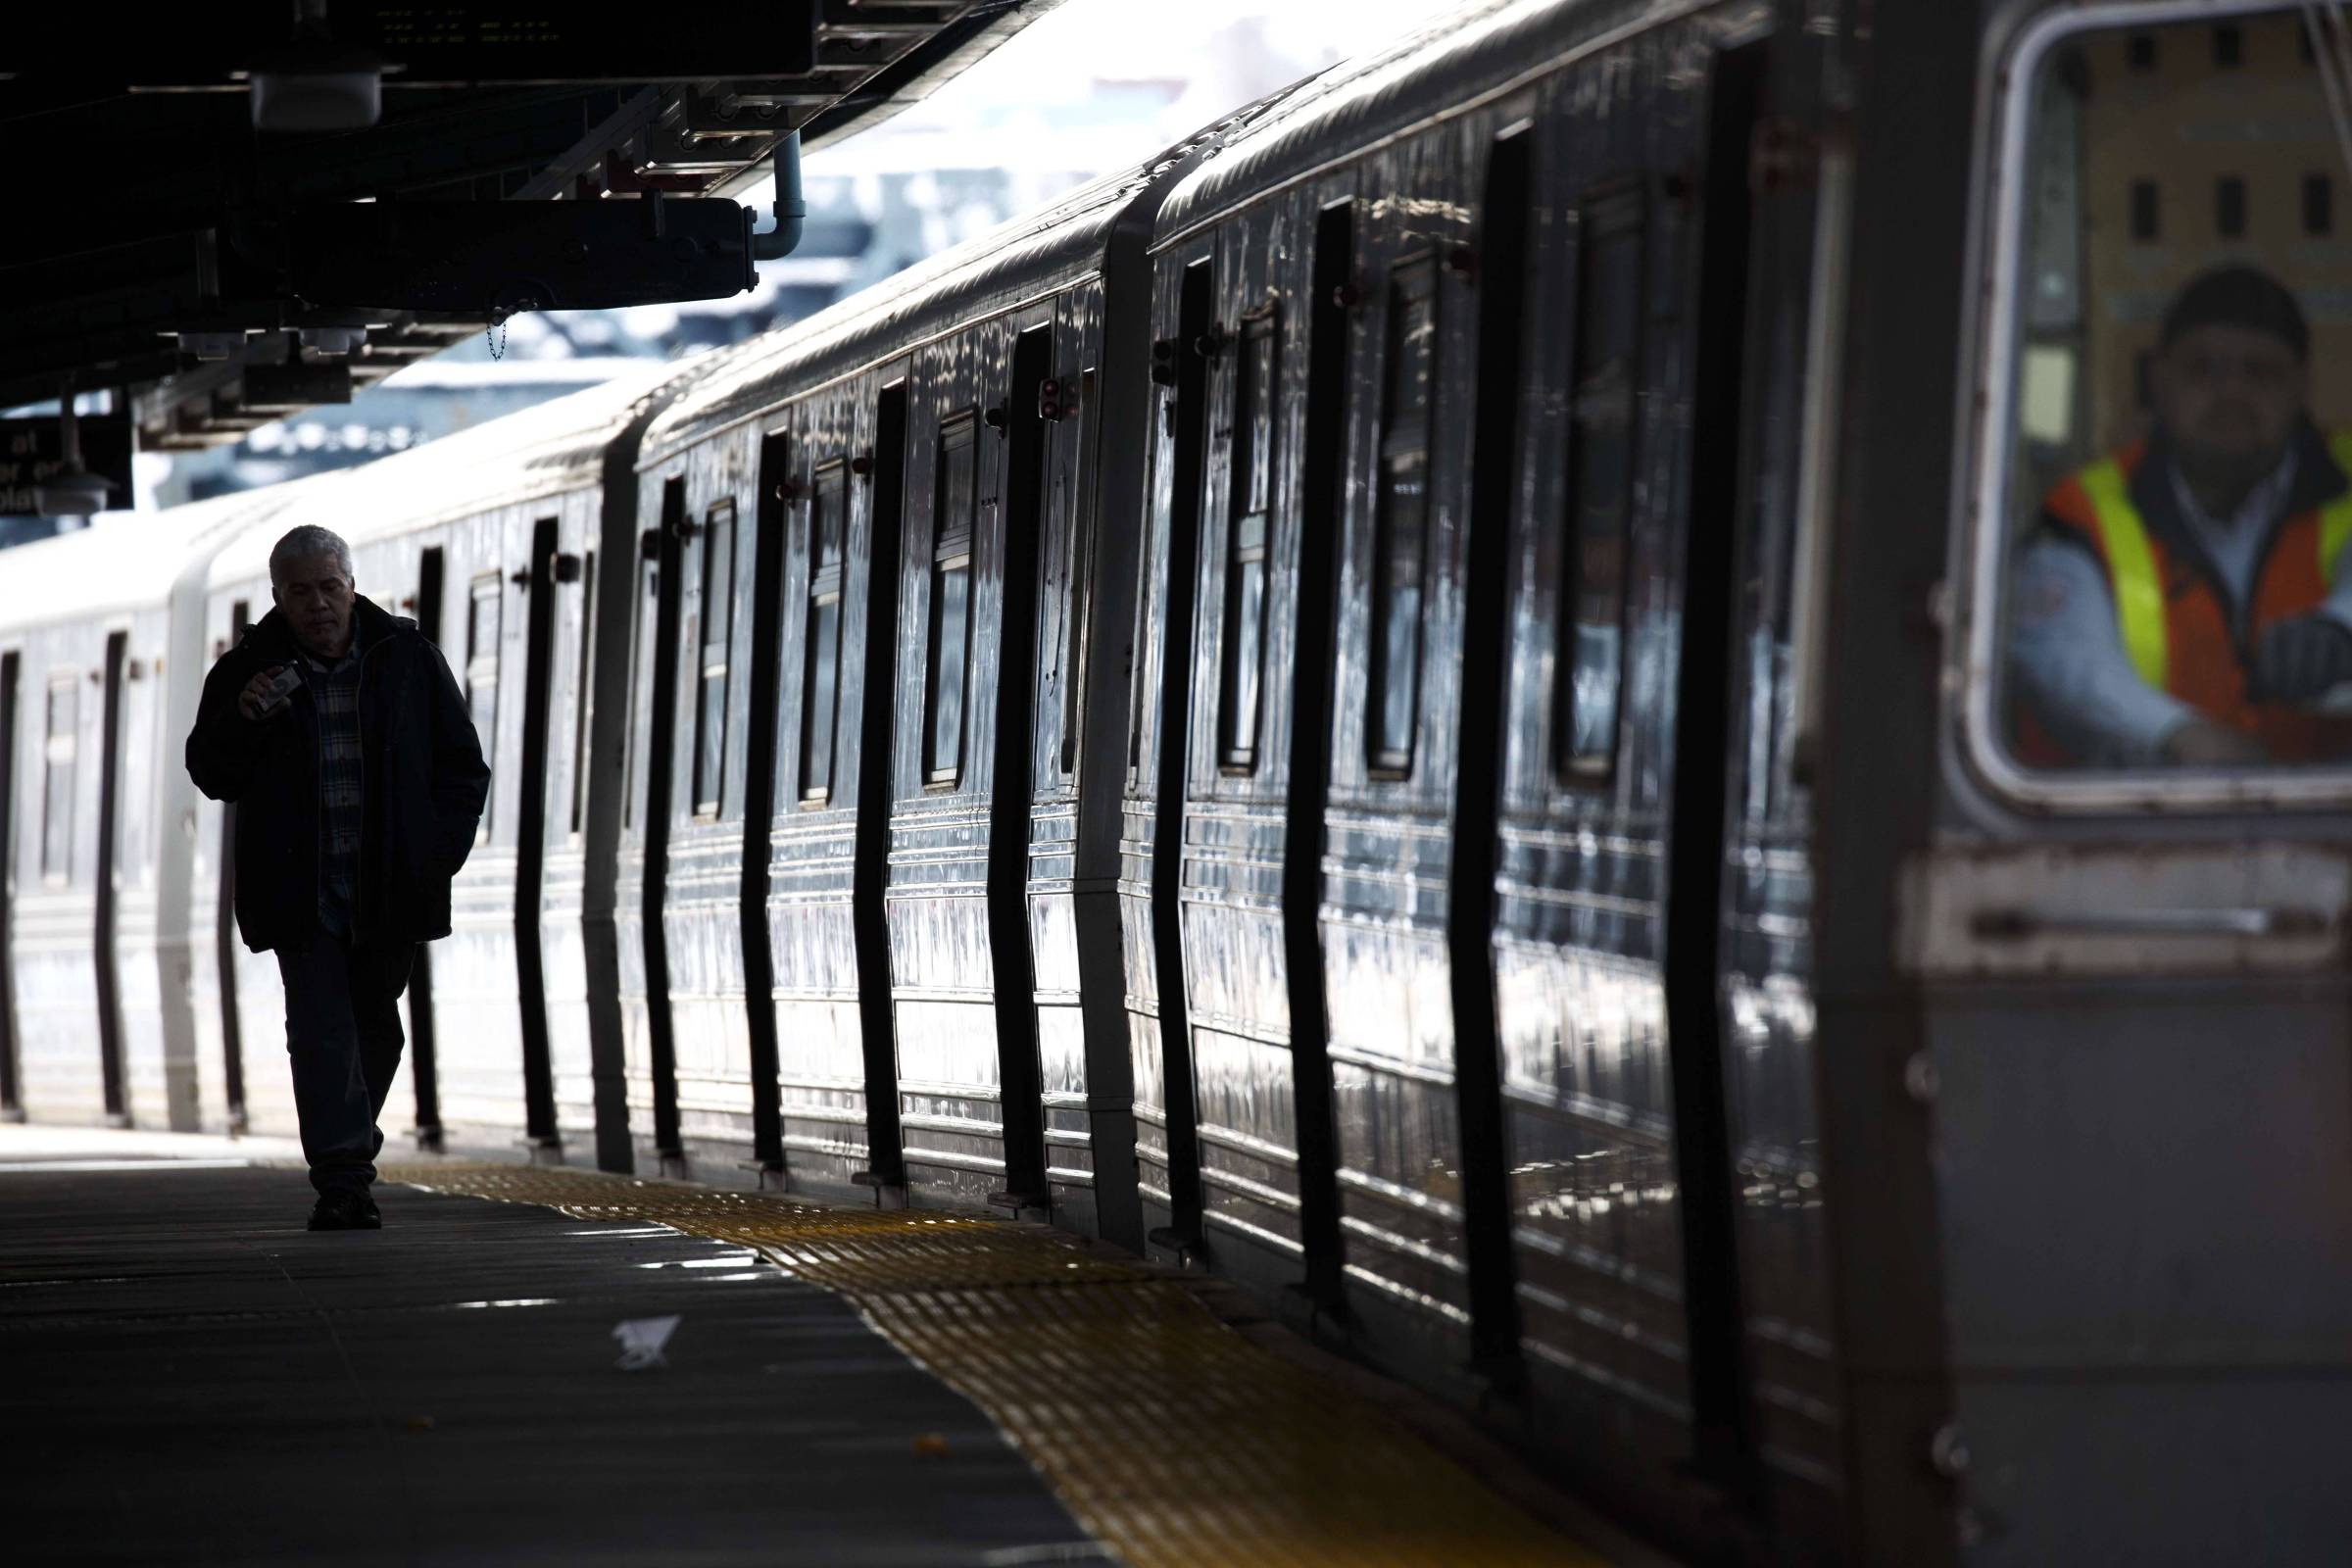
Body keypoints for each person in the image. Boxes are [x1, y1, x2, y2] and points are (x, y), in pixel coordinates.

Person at [186, 525, 488, 1230]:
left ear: (351, 585)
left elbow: (462, 768)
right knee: (322, 1030)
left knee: (376, 1030)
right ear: (278, 598)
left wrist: (434, 855)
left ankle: (347, 1147)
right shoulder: (245, 673)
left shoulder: (406, 659)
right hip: (302, 893)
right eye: (300, 591)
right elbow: (210, 771)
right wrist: (245, 719)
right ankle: (344, 1178)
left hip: (388, 887)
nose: (318, 603)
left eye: (329, 586)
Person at [2010, 265, 2352, 767]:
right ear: (2161, 379)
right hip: (2140, 827)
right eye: (2204, 369)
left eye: (2261, 371)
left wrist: (2339, 629)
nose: (2232, 392)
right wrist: (2180, 733)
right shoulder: (2083, 513)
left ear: (2302, 385)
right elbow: (2063, 655)